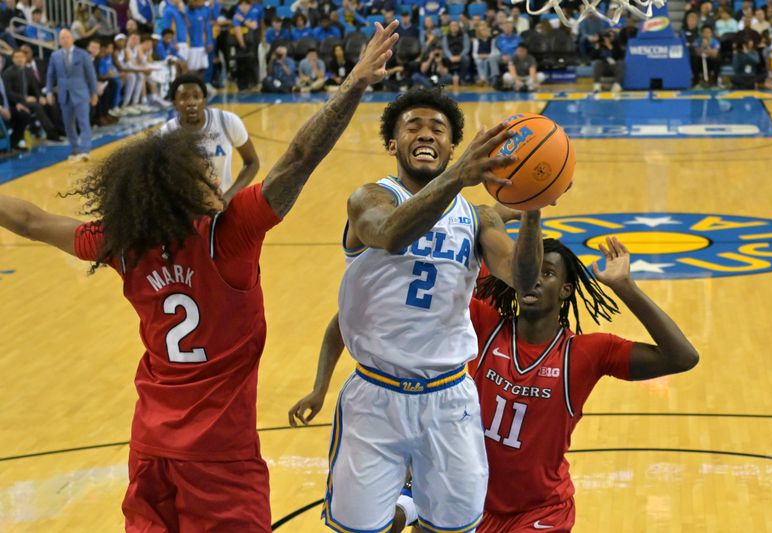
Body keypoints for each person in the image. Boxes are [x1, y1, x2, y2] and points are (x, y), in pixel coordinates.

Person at [0, 20, 399, 532]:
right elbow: (300, 156)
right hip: (219, 457)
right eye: (205, 174)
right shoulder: (228, 236)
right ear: (189, 186)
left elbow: (32, 221)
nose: (215, 177)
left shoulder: (123, 242)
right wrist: (356, 82)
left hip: (150, 449)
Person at [292, 221, 700, 533]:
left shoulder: (586, 353)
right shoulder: (480, 322)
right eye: (530, 268)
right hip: (464, 499)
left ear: (566, 290)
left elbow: (682, 356)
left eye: (548, 273)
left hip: (540, 512)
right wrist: (321, 385)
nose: (535, 277)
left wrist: (625, 288)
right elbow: (375, 310)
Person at [308, 87, 525, 533]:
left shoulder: (479, 216)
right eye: (413, 126)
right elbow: (389, 233)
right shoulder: (370, 198)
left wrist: (533, 208)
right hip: (376, 396)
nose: (426, 134)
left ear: (451, 146)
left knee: (448, 528)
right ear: (393, 144)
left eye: (438, 129)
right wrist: (458, 177)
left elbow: (522, 278)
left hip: (449, 399)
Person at [161, 74, 257, 201]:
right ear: (175, 104)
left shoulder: (227, 121)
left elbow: (252, 162)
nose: (191, 102)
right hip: (185, 207)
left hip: (222, 205)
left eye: (196, 96)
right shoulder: (166, 133)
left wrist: (228, 196)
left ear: (205, 100)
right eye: (184, 98)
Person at [46, 29, 97, 162]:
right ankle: (75, 149)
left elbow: (91, 75)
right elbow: (50, 75)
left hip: (81, 93)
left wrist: (94, 93)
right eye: (62, 38)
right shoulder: (55, 56)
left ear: (72, 38)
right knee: (68, 124)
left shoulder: (83, 54)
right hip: (64, 94)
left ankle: (85, 150)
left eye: (67, 37)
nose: (65, 40)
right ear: (59, 40)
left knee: (83, 122)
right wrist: (49, 91)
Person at [2, 47, 61, 140]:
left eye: (21, 57)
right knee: (36, 106)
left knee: (48, 103)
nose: (19, 59)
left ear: (25, 58)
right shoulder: (7, 73)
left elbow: (35, 88)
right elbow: (9, 93)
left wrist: (40, 97)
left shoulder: (28, 71)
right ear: (13, 59)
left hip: (29, 99)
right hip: (16, 102)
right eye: (16, 57)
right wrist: (24, 99)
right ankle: (52, 134)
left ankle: (59, 129)